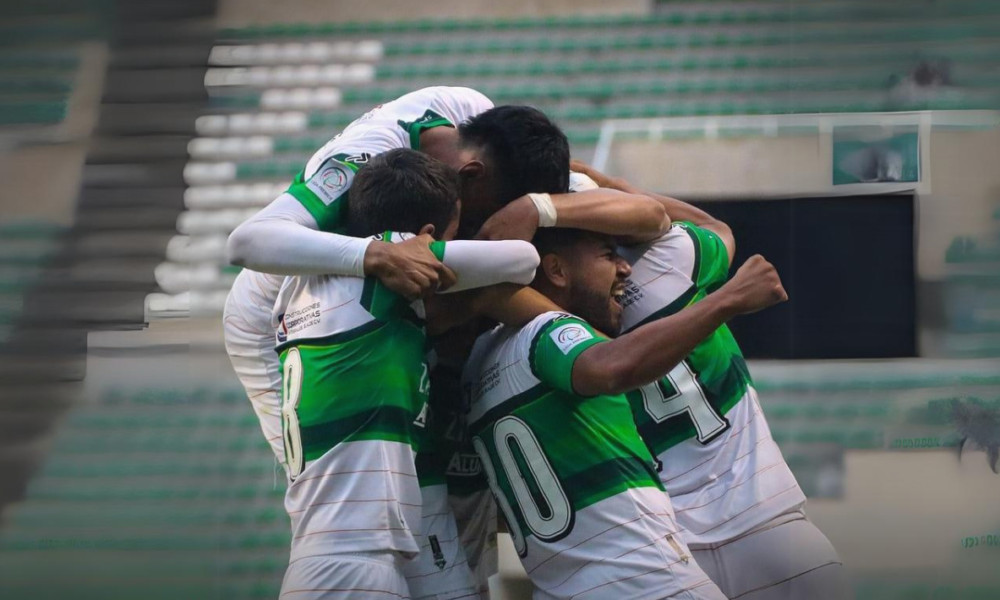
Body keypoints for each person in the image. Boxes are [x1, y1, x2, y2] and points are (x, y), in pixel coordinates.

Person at [222, 87, 669, 598]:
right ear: (465, 189)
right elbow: (248, 241)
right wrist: (373, 256)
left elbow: (651, 213)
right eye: (487, 217)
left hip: (362, 323)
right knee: (362, 504)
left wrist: (539, 207)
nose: (490, 227)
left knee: (403, 496)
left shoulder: (487, 131)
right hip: (275, 308)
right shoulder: (369, 170)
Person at [571, 162, 850, 600]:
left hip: (669, 551)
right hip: (768, 523)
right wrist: (611, 185)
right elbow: (708, 224)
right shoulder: (672, 261)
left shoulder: (547, 322)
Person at [463, 225, 788, 600]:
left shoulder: (475, 363)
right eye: (607, 254)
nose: (625, 267)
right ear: (556, 270)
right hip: (645, 580)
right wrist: (726, 300)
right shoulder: (548, 332)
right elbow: (612, 367)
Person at [272, 149, 541, 599]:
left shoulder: (296, 283)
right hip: (352, 560)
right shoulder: (393, 255)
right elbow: (521, 260)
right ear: (428, 236)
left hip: (331, 550)